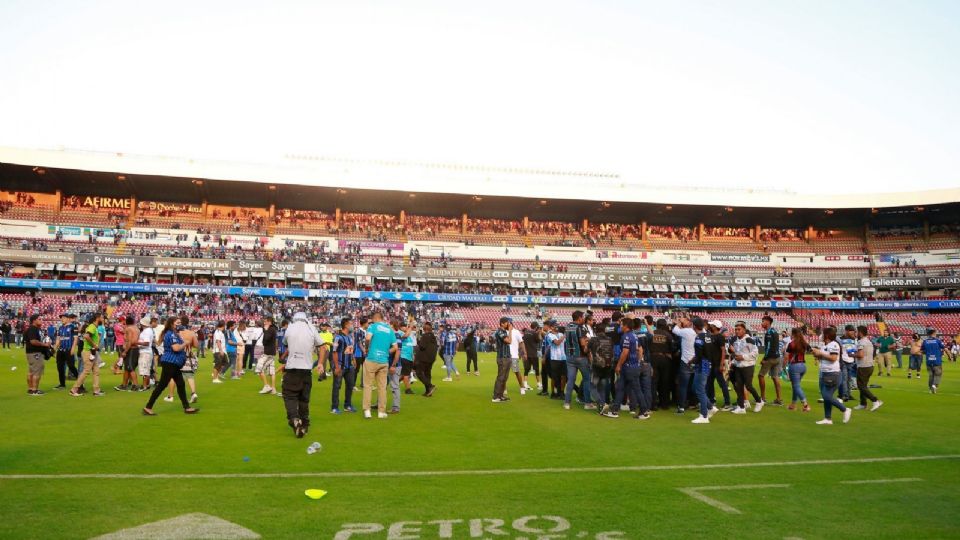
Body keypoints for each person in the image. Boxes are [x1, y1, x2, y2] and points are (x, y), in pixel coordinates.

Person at [143, 317, 199, 415]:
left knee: (181, 384)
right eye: (178, 323)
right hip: (170, 363)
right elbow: (176, 348)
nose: (180, 324)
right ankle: (148, 407)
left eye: (180, 322)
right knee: (162, 385)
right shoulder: (171, 334)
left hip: (174, 363)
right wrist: (185, 343)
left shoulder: (174, 334)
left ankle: (187, 407)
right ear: (172, 324)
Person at [281, 312, 322, 436]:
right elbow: (322, 346)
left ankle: (294, 418)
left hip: (292, 368)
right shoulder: (311, 327)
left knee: (289, 395)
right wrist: (320, 363)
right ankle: (304, 424)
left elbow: (285, 343)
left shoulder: (290, 328)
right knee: (304, 399)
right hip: (306, 370)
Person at [603, 317, 647, 419]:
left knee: (635, 389)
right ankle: (615, 410)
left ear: (626, 326)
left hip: (628, 367)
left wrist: (618, 365)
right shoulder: (634, 336)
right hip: (632, 366)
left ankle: (644, 411)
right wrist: (638, 362)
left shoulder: (626, 337)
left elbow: (625, 352)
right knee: (621, 388)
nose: (620, 326)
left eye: (622, 324)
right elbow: (640, 350)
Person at [810, 326, 851, 425]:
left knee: (826, 396)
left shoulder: (834, 345)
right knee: (826, 396)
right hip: (824, 372)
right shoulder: (825, 345)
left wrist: (820, 353)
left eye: (823, 334)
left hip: (832, 373)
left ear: (827, 335)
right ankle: (828, 418)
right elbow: (823, 357)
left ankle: (845, 409)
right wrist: (816, 354)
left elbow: (833, 358)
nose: (822, 336)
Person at [364, 311, 396, 419]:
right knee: (382, 387)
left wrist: (367, 348)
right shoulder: (390, 330)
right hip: (384, 360)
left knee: (368, 385)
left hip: (372, 358)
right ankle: (381, 412)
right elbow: (395, 347)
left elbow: (368, 338)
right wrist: (387, 352)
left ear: (375, 318)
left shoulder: (373, 326)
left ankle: (367, 410)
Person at [729, 321, 763, 414]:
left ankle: (759, 401)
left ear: (744, 330)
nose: (737, 331)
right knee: (738, 386)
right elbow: (737, 354)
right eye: (736, 329)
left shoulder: (749, 340)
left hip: (748, 366)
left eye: (739, 329)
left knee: (748, 386)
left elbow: (755, 353)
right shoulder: (736, 340)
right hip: (738, 366)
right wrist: (733, 361)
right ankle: (741, 407)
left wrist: (743, 357)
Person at [166, 315, 200, 404]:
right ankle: (193, 393)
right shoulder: (191, 333)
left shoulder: (175, 333)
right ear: (188, 322)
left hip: (177, 356)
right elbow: (196, 345)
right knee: (190, 376)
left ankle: (171, 396)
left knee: (173, 377)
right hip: (188, 356)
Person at [70, 313, 105, 397]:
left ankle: (96, 390)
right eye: (102, 318)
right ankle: (74, 389)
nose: (103, 319)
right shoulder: (92, 327)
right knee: (86, 371)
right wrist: (94, 345)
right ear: (97, 318)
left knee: (96, 371)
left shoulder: (94, 327)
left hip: (92, 352)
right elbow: (86, 336)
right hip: (88, 352)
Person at [563, 311, 592, 410]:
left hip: (570, 357)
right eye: (583, 317)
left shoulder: (567, 326)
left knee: (571, 380)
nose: (584, 318)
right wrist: (588, 344)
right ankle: (587, 403)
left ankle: (567, 403)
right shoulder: (579, 327)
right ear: (579, 318)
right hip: (580, 357)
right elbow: (583, 343)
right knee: (587, 379)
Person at [704, 320, 732, 411]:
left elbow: (723, 350)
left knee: (722, 384)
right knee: (709, 383)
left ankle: (727, 403)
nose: (710, 325)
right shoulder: (711, 336)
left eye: (711, 325)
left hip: (717, 364)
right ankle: (712, 401)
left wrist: (721, 364)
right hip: (711, 364)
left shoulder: (719, 337)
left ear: (715, 327)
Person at [672, 316, 698, 414]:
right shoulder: (700, 332)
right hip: (696, 360)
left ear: (690, 323)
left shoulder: (687, 331)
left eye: (686, 320)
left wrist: (679, 322)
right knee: (695, 385)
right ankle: (698, 403)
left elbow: (675, 330)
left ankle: (682, 407)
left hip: (686, 361)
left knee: (683, 386)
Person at [854, 325, 883, 411]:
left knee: (861, 386)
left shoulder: (861, 342)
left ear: (860, 333)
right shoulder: (869, 341)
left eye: (857, 332)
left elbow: (860, 355)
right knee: (863, 386)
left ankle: (875, 400)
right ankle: (863, 403)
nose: (856, 333)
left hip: (863, 366)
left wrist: (852, 354)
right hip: (870, 365)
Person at [331, 317, 356, 413]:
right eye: (351, 323)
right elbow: (334, 352)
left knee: (350, 386)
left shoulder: (349, 337)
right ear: (346, 325)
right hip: (340, 366)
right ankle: (334, 407)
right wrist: (337, 367)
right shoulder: (338, 337)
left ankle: (348, 405)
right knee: (337, 387)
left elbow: (350, 349)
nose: (352, 325)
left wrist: (353, 359)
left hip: (349, 366)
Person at [588, 321, 614, 414]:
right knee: (602, 387)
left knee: (592, 387)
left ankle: (602, 403)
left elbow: (586, 350)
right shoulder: (610, 339)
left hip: (597, 366)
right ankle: (602, 408)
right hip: (607, 365)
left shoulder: (593, 339)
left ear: (596, 330)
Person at [649, 319, 675, 410]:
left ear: (656, 325)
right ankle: (664, 404)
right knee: (665, 381)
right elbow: (673, 347)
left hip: (653, 358)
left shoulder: (652, 333)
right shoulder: (668, 335)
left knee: (653, 381)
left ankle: (653, 404)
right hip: (665, 359)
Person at [757, 315, 783, 405]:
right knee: (775, 377)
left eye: (763, 321)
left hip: (770, 358)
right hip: (777, 357)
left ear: (768, 322)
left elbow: (768, 347)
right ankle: (779, 399)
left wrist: (764, 359)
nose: (762, 323)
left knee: (760, 375)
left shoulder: (768, 333)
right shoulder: (774, 331)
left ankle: (762, 398)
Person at [24, 314, 52, 395]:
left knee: (31, 371)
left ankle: (30, 389)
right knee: (37, 372)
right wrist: (45, 345)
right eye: (39, 319)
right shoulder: (33, 329)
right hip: (35, 353)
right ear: (34, 320)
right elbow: (33, 341)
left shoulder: (33, 329)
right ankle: (34, 390)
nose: (41, 320)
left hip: (31, 353)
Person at [784, 327, 810, 412]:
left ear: (793, 334)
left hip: (794, 366)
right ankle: (793, 405)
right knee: (796, 386)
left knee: (796, 386)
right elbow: (812, 350)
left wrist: (783, 366)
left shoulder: (791, 344)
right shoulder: (804, 343)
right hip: (803, 366)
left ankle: (805, 405)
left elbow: (786, 356)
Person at [114, 316, 140, 391]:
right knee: (127, 368)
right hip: (135, 349)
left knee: (130, 367)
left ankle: (135, 385)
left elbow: (130, 341)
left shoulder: (129, 329)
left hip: (131, 349)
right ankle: (124, 385)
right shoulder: (136, 328)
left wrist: (125, 351)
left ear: (126, 322)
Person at [53, 313, 79, 389]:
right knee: (60, 367)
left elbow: (75, 338)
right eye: (61, 318)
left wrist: (73, 348)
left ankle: (80, 382)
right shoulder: (60, 328)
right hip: (61, 350)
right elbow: (58, 339)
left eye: (63, 318)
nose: (62, 319)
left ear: (68, 318)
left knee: (71, 366)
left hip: (69, 349)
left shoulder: (73, 327)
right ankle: (62, 384)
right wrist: (54, 349)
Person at [492, 317, 513, 403]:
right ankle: (496, 396)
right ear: (502, 323)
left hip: (506, 357)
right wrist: (510, 331)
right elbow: (509, 341)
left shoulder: (504, 331)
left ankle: (500, 395)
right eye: (507, 323)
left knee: (505, 377)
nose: (509, 324)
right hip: (502, 357)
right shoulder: (500, 331)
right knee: (501, 377)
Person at [414, 321, 438, 397]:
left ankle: (430, 386)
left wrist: (418, 341)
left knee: (419, 373)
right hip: (431, 359)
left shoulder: (425, 336)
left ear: (424, 329)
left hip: (424, 358)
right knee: (427, 374)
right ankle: (428, 392)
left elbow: (422, 346)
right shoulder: (433, 337)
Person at [256, 316, 278, 395]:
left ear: (269, 322)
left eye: (265, 321)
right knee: (271, 372)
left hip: (268, 353)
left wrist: (265, 330)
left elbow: (266, 340)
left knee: (259, 369)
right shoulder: (273, 329)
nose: (264, 323)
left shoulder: (270, 329)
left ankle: (266, 386)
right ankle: (273, 389)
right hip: (271, 353)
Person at [509, 320, 530, 396]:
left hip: (514, 355)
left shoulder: (516, 332)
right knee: (504, 374)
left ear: (510, 323)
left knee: (517, 372)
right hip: (505, 356)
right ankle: (503, 389)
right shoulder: (503, 332)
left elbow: (521, 342)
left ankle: (522, 387)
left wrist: (524, 353)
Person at [137, 316, 157, 391]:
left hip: (145, 352)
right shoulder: (148, 330)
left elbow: (146, 343)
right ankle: (146, 385)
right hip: (146, 352)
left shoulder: (146, 331)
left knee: (145, 370)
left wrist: (135, 342)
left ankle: (145, 386)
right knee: (146, 369)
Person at [838, 325, 858, 401]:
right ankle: (845, 395)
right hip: (843, 361)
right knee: (844, 379)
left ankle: (848, 394)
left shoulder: (854, 340)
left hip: (851, 361)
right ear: (846, 331)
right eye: (850, 330)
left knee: (849, 379)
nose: (852, 332)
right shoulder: (840, 339)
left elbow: (855, 350)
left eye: (853, 330)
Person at [921, 328, 944, 394]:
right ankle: (934, 385)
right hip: (936, 360)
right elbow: (943, 347)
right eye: (935, 333)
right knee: (938, 374)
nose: (936, 334)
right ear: (933, 333)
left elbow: (922, 350)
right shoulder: (937, 341)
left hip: (928, 360)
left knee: (931, 375)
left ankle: (930, 389)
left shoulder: (925, 341)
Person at [523, 322, 543, 392]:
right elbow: (539, 340)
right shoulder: (535, 333)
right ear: (536, 327)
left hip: (526, 353)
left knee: (526, 369)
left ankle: (525, 383)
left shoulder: (525, 333)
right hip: (533, 354)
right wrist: (539, 333)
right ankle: (539, 384)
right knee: (536, 369)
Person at [398, 321, 417, 395]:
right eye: (404, 326)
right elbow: (405, 336)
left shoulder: (408, 335)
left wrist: (413, 356)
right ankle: (408, 389)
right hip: (404, 356)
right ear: (400, 327)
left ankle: (394, 383)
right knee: (406, 374)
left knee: (405, 374)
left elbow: (410, 346)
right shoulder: (399, 333)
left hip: (409, 357)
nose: (405, 328)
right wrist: (410, 326)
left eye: (406, 326)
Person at [353, 317, 368, 390]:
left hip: (363, 353)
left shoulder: (365, 331)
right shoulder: (358, 331)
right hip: (358, 353)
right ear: (364, 323)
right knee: (356, 369)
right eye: (367, 323)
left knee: (365, 369)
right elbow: (359, 343)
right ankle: (353, 385)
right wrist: (364, 351)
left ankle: (363, 384)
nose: (368, 324)